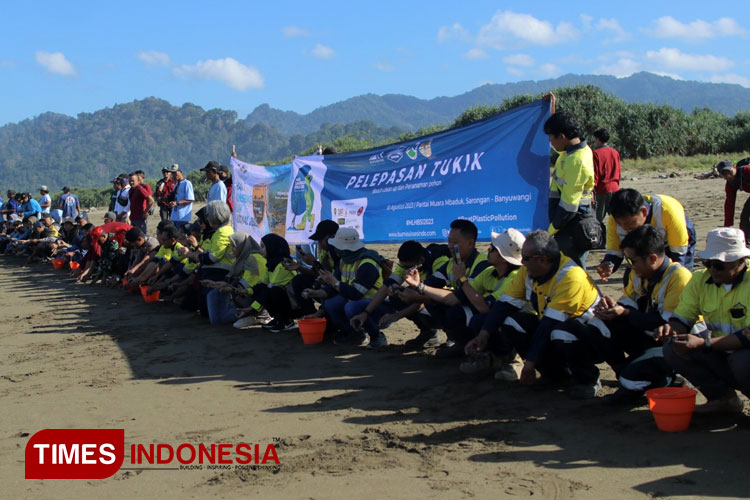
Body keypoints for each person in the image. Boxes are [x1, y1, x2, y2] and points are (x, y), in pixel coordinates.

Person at [464, 230, 603, 399]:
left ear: (542, 260)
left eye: (526, 258)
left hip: (589, 337)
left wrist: (529, 364)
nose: (522, 262)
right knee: (512, 322)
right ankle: (555, 375)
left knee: (560, 332)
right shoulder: (528, 271)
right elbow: (503, 305)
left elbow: (549, 325)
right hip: (554, 328)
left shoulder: (570, 276)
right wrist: (483, 335)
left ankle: (588, 378)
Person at [587, 226, 693, 404]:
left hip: (673, 345)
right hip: (647, 336)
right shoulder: (639, 272)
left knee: (632, 380)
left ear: (652, 258)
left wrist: (625, 312)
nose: (629, 265)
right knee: (596, 324)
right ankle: (626, 373)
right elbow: (629, 301)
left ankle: (668, 378)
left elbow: (667, 325)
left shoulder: (679, 277)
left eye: (632, 260)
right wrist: (613, 307)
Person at [403, 230, 525, 378]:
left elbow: (485, 308)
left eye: (493, 248)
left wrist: (462, 279)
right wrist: (419, 287)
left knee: (483, 319)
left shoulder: (514, 277)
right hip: (494, 318)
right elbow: (452, 298)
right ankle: (485, 355)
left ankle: (512, 360)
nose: (488, 249)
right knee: (448, 308)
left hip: (519, 324)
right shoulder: (489, 272)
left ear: (504, 257)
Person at [658, 227, 750, 414]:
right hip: (720, 350)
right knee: (672, 349)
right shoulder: (700, 279)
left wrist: (704, 343)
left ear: (740, 261)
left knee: (743, 361)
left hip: (742, 353)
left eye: (719, 264)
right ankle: (724, 399)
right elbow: (682, 318)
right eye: (709, 263)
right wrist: (671, 330)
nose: (713, 270)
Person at [411, 219, 490, 355]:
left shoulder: (482, 264)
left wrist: (420, 289)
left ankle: (468, 345)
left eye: (455, 242)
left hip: (481, 313)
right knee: (432, 301)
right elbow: (431, 284)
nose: (450, 246)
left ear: (471, 243)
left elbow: (455, 299)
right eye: (449, 241)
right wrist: (413, 289)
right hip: (464, 307)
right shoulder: (451, 263)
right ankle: (457, 341)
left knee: (453, 311)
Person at [303, 227, 385, 347]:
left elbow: (356, 293)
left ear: (345, 249)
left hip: (374, 305)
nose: (335, 250)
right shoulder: (344, 261)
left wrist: (334, 282)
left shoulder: (367, 264)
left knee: (350, 307)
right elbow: (333, 289)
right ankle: (352, 333)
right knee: (332, 303)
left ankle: (376, 335)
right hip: (354, 300)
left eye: (338, 247)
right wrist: (316, 293)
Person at [597, 188, 696, 281]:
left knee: (678, 277)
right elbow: (615, 252)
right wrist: (608, 265)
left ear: (644, 212)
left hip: (676, 242)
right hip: (644, 243)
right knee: (633, 277)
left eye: (630, 223)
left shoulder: (667, 212)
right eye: (620, 224)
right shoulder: (615, 220)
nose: (625, 228)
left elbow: (679, 255)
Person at [544, 108, 596, 268]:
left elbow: (568, 207)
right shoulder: (568, 153)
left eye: (551, 138)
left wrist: (549, 232)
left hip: (571, 228)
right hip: (564, 225)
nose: (550, 143)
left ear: (562, 136)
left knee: (571, 271)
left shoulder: (577, 160)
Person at [203, 233, 267, 326]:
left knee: (218, 318)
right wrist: (216, 284)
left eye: (234, 246)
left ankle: (257, 315)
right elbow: (238, 283)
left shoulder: (253, 259)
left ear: (241, 246)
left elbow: (246, 286)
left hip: (255, 299)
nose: (232, 249)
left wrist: (228, 288)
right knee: (213, 295)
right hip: (246, 296)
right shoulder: (244, 257)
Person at [716, 159, 750, 243]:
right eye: (724, 174)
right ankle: (746, 242)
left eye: (729, 171)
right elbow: (729, 204)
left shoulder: (747, 170)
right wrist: (727, 226)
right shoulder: (730, 184)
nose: (728, 175)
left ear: (734, 167)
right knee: (744, 217)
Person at [592, 128, 621, 226]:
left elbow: (595, 174)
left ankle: (599, 239)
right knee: (618, 218)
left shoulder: (596, 153)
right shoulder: (615, 152)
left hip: (602, 189)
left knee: (597, 219)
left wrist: (593, 190)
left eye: (595, 139)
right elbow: (618, 171)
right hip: (615, 188)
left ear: (598, 139)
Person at [170, 165, 194, 229]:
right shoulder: (176, 184)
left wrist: (177, 203)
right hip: (174, 216)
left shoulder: (187, 183)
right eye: (172, 173)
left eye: (175, 173)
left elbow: (190, 199)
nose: (174, 175)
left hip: (183, 217)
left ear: (180, 172)